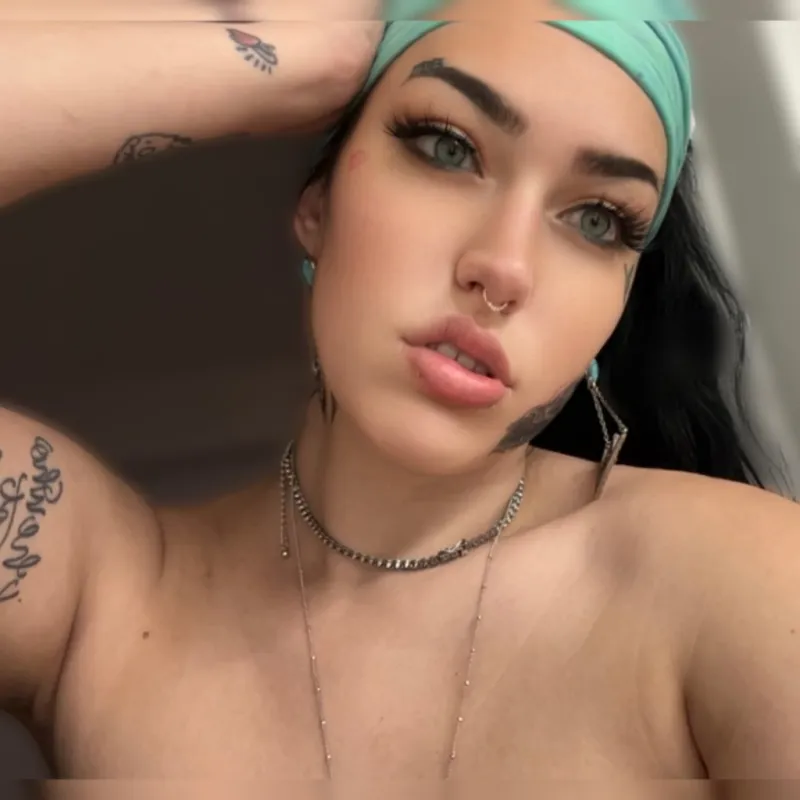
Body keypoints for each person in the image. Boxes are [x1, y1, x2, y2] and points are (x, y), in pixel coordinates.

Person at [0, 1, 798, 798]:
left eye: (596, 219)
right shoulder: (100, 591)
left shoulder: (740, 584)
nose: (504, 268)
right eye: (448, 147)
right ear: (318, 207)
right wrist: (297, 62)